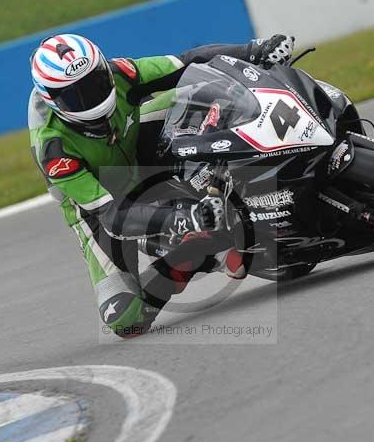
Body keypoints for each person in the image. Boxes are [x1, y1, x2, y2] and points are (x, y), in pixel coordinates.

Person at [28, 33, 295, 337]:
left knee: (203, 90)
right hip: (101, 209)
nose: (92, 97)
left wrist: (253, 50)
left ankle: (248, 164)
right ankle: (199, 250)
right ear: (52, 99)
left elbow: (185, 61)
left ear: (103, 67)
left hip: (133, 148)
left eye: (95, 83)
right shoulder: (54, 149)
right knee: (125, 319)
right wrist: (184, 218)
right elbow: (113, 216)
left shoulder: (119, 74)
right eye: (76, 96)